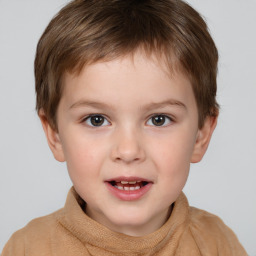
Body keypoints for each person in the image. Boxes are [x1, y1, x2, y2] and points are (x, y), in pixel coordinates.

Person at [1, 0, 247, 255]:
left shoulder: (217, 243)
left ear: (201, 135)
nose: (128, 151)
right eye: (96, 120)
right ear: (55, 135)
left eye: (158, 119)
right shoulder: (28, 248)